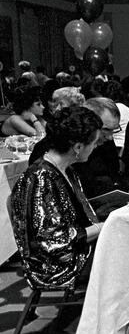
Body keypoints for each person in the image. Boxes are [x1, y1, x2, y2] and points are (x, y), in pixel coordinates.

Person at [10, 106, 104, 287]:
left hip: (74, 252)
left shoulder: (66, 169)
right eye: (94, 143)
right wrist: (102, 227)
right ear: (77, 147)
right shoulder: (41, 178)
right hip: (57, 267)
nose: (95, 148)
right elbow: (56, 242)